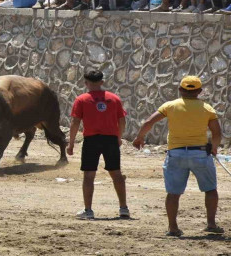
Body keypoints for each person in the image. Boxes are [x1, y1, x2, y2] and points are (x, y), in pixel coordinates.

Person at [133, 76, 224, 237]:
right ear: (200, 91)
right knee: (210, 189)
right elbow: (217, 132)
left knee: (174, 192)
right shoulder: (207, 108)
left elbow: (149, 121)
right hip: (200, 153)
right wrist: (214, 148)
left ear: (180, 90)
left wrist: (140, 137)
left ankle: (173, 227)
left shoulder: (170, 106)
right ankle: (211, 224)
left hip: (176, 153)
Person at [67, 70, 129, 220]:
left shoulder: (81, 99)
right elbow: (122, 121)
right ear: (102, 82)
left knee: (89, 175)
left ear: (86, 83)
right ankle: (123, 208)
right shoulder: (114, 99)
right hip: (110, 140)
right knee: (116, 174)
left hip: (91, 140)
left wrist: (71, 143)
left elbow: (75, 122)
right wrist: (119, 138)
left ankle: (88, 210)